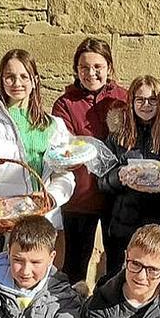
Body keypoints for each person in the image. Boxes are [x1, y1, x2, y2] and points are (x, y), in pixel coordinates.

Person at [0, 49, 74, 254]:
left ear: (35, 80)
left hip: (43, 219)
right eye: (10, 77)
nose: (17, 83)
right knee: (3, 279)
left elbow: (65, 175)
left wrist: (51, 197)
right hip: (3, 221)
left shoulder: (53, 125)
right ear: (1, 80)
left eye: (24, 76)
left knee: (39, 281)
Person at [52, 37, 129, 283]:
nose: (91, 73)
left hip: (117, 196)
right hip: (80, 198)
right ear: (76, 70)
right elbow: (63, 145)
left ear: (109, 67)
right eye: (84, 67)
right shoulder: (65, 104)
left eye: (98, 66)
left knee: (119, 263)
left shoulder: (122, 98)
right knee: (75, 265)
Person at [100, 76, 160, 276]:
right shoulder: (118, 134)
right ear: (131, 102)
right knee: (119, 281)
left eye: (152, 100)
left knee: (155, 281)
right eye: (140, 100)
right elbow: (102, 181)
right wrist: (119, 176)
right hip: (123, 226)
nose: (146, 105)